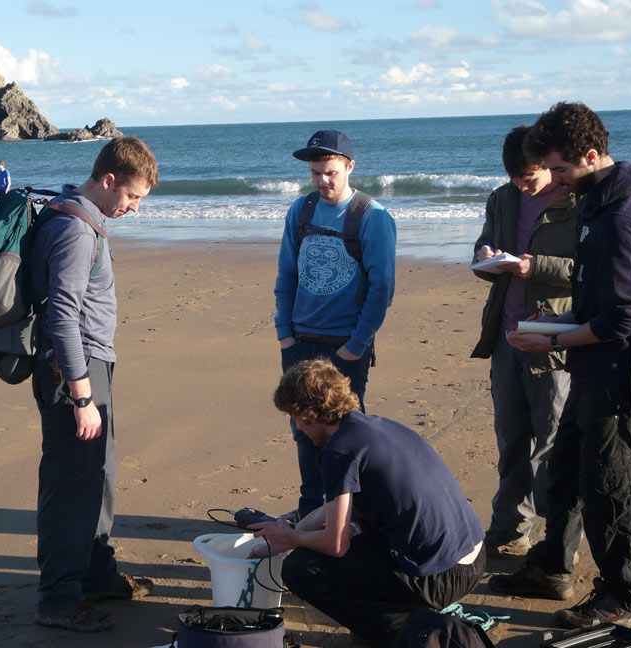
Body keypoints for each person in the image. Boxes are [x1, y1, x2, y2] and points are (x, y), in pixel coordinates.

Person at [489, 102, 631, 629]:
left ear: (590, 156)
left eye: (562, 170)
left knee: (609, 485)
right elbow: (596, 299)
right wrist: (553, 330)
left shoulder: (620, 212)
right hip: (589, 362)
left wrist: (553, 342)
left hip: (619, 373)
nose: (559, 182)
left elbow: (620, 320)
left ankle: (623, 593)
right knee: (567, 470)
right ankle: (550, 564)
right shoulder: (596, 200)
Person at [251, 358, 485, 647]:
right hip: (474, 557)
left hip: (441, 576)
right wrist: (289, 531)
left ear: (310, 414)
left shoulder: (338, 452)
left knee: (300, 568)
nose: (298, 428)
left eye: (295, 418)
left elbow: (336, 546)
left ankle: (398, 629)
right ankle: (402, 614)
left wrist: (292, 539)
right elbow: (333, 509)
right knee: (355, 536)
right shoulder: (375, 427)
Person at [28, 137, 158, 632]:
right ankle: (58, 600)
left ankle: (96, 574)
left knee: (99, 475)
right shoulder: (77, 231)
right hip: (71, 373)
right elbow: (62, 316)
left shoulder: (77, 215)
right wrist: (82, 395)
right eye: (131, 197)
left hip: (88, 367)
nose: (133, 208)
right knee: (72, 486)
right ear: (108, 181)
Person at [274, 129, 397, 524]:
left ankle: (348, 515)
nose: (323, 181)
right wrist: (284, 334)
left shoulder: (372, 217)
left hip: (345, 346)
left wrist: (356, 346)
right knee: (303, 430)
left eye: (330, 172)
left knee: (343, 436)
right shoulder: (301, 210)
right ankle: (312, 508)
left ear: (349, 167)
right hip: (299, 342)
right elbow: (286, 276)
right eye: (315, 174)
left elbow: (382, 290)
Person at [471, 126, 579, 557]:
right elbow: (484, 249)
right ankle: (510, 527)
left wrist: (539, 267)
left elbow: (594, 270)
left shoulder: (578, 201)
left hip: (554, 333)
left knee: (553, 438)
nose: (521, 185)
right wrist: (484, 257)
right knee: (511, 434)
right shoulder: (502, 197)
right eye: (515, 177)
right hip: (506, 332)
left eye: (529, 177)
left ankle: (557, 538)